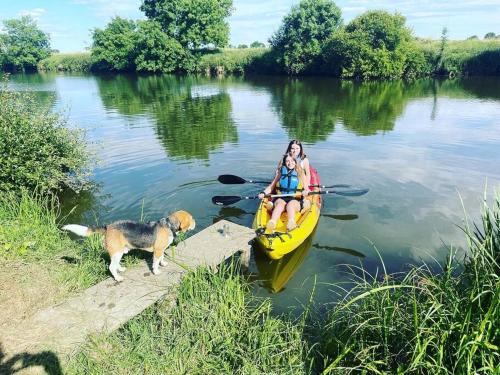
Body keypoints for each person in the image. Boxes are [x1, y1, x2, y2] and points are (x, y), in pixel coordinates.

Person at [259, 152, 309, 232]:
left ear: (295, 162)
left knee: (290, 205)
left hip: (295, 199)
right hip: (281, 198)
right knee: (280, 204)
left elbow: (306, 188)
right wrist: (263, 193)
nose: (290, 163)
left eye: (292, 161)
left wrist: (306, 191)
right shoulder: (281, 172)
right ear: (285, 162)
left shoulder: (300, 172)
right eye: (287, 161)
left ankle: (291, 223)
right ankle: (272, 222)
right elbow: (272, 186)